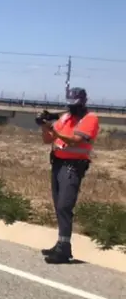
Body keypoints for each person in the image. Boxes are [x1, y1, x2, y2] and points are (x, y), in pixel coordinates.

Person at [38, 87, 99, 264]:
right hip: (57, 163)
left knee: (65, 205)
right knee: (59, 205)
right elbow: (48, 140)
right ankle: (61, 243)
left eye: (76, 105)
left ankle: (64, 249)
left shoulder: (90, 119)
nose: (72, 108)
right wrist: (44, 127)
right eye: (70, 104)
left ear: (83, 102)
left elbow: (75, 140)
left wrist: (55, 131)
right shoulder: (65, 117)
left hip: (73, 166)